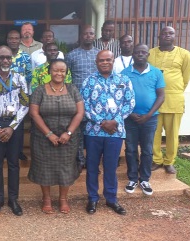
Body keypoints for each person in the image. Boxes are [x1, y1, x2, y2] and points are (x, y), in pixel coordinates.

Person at [81, 50, 135, 215]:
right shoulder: (88, 81)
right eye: (101, 60)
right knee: (92, 167)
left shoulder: (124, 80)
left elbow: (130, 102)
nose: (105, 63)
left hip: (115, 132)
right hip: (93, 132)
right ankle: (93, 198)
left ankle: (111, 199)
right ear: (96, 63)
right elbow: (84, 105)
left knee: (111, 167)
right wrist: (101, 122)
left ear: (113, 61)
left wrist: (115, 122)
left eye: (108, 60)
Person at [28, 59, 84, 214]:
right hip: (43, 138)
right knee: (44, 168)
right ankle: (46, 199)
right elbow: (34, 113)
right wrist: (49, 134)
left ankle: (63, 199)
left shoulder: (73, 89)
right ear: (49, 72)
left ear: (66, 73)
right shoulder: (40, 90)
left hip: (68, 139)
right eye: (55, 70)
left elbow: (80, 112)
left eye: (62, 71)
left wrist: (69, 133)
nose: (59, 73)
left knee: (66, 167)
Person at [0, 46, 29, 216]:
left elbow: (25, 104)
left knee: (13, 163)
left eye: (8, 57)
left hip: (14, 125)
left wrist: (11, 127)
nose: (5, 61)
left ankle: (13, 199)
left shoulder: (20, 79)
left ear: (12, 59)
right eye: (1, 57)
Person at [121, 44, 165, 195]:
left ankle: (145, 179)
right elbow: (120, 96)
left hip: (150, 118)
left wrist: (148, 115)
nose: (140, 54)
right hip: (130, 118)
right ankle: (132, 178)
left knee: (147, 149)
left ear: (148, 55)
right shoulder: (125, 73)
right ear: (132, 54)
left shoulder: (156, 73)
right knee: (131, 149)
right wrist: (130, 112)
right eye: (137, 52)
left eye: (143, 52)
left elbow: (161, 95)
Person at [149, 26, 190, 174]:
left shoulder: (184, 54)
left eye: (171, 33)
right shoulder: (150, 53)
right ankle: (156, 160)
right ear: (159, 36)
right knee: (154, 133)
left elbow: (185, 78)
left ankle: (169, 161)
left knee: (172, 134)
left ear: (175, 36)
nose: (167, 35)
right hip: (154, 101)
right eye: (164, 33)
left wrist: (174, 90)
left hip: (174, 100)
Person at [65, 25, 99, 170]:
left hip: (96, 102)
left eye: (91, 33)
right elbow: (67, 79)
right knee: (77, 133)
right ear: (81, 36)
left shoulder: (99, 55)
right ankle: (79, 160)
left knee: (93, 133)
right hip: (76, 101)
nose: (88, 36)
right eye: (85, 34)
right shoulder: (71, 55)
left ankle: (93, 162)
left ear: (94, 36)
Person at [6, 30, 32, 161]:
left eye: (16, 38)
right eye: (11, 38)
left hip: (20, 96)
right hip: (3, 95)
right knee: (5, 121)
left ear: (20, 40)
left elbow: (29, 77)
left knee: (19, 124)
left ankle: (19, 151)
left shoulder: (26, 57)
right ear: (7, 40)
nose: (13, 40)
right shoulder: (2, 56)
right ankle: (6, 150)